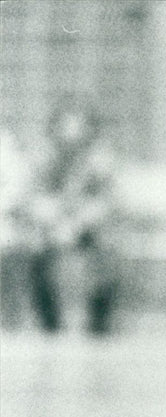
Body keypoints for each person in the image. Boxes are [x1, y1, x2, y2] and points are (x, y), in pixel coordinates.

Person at [27, 104, 120, 335]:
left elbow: (108, 201)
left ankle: (98, 324)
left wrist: (80, 223)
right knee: (35, 250)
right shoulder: (44, 158)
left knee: (107, 252)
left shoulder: (101, 160)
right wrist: (57, 221)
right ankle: (49, 324)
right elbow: (34, 197)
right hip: (53, 226)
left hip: (89, 227)